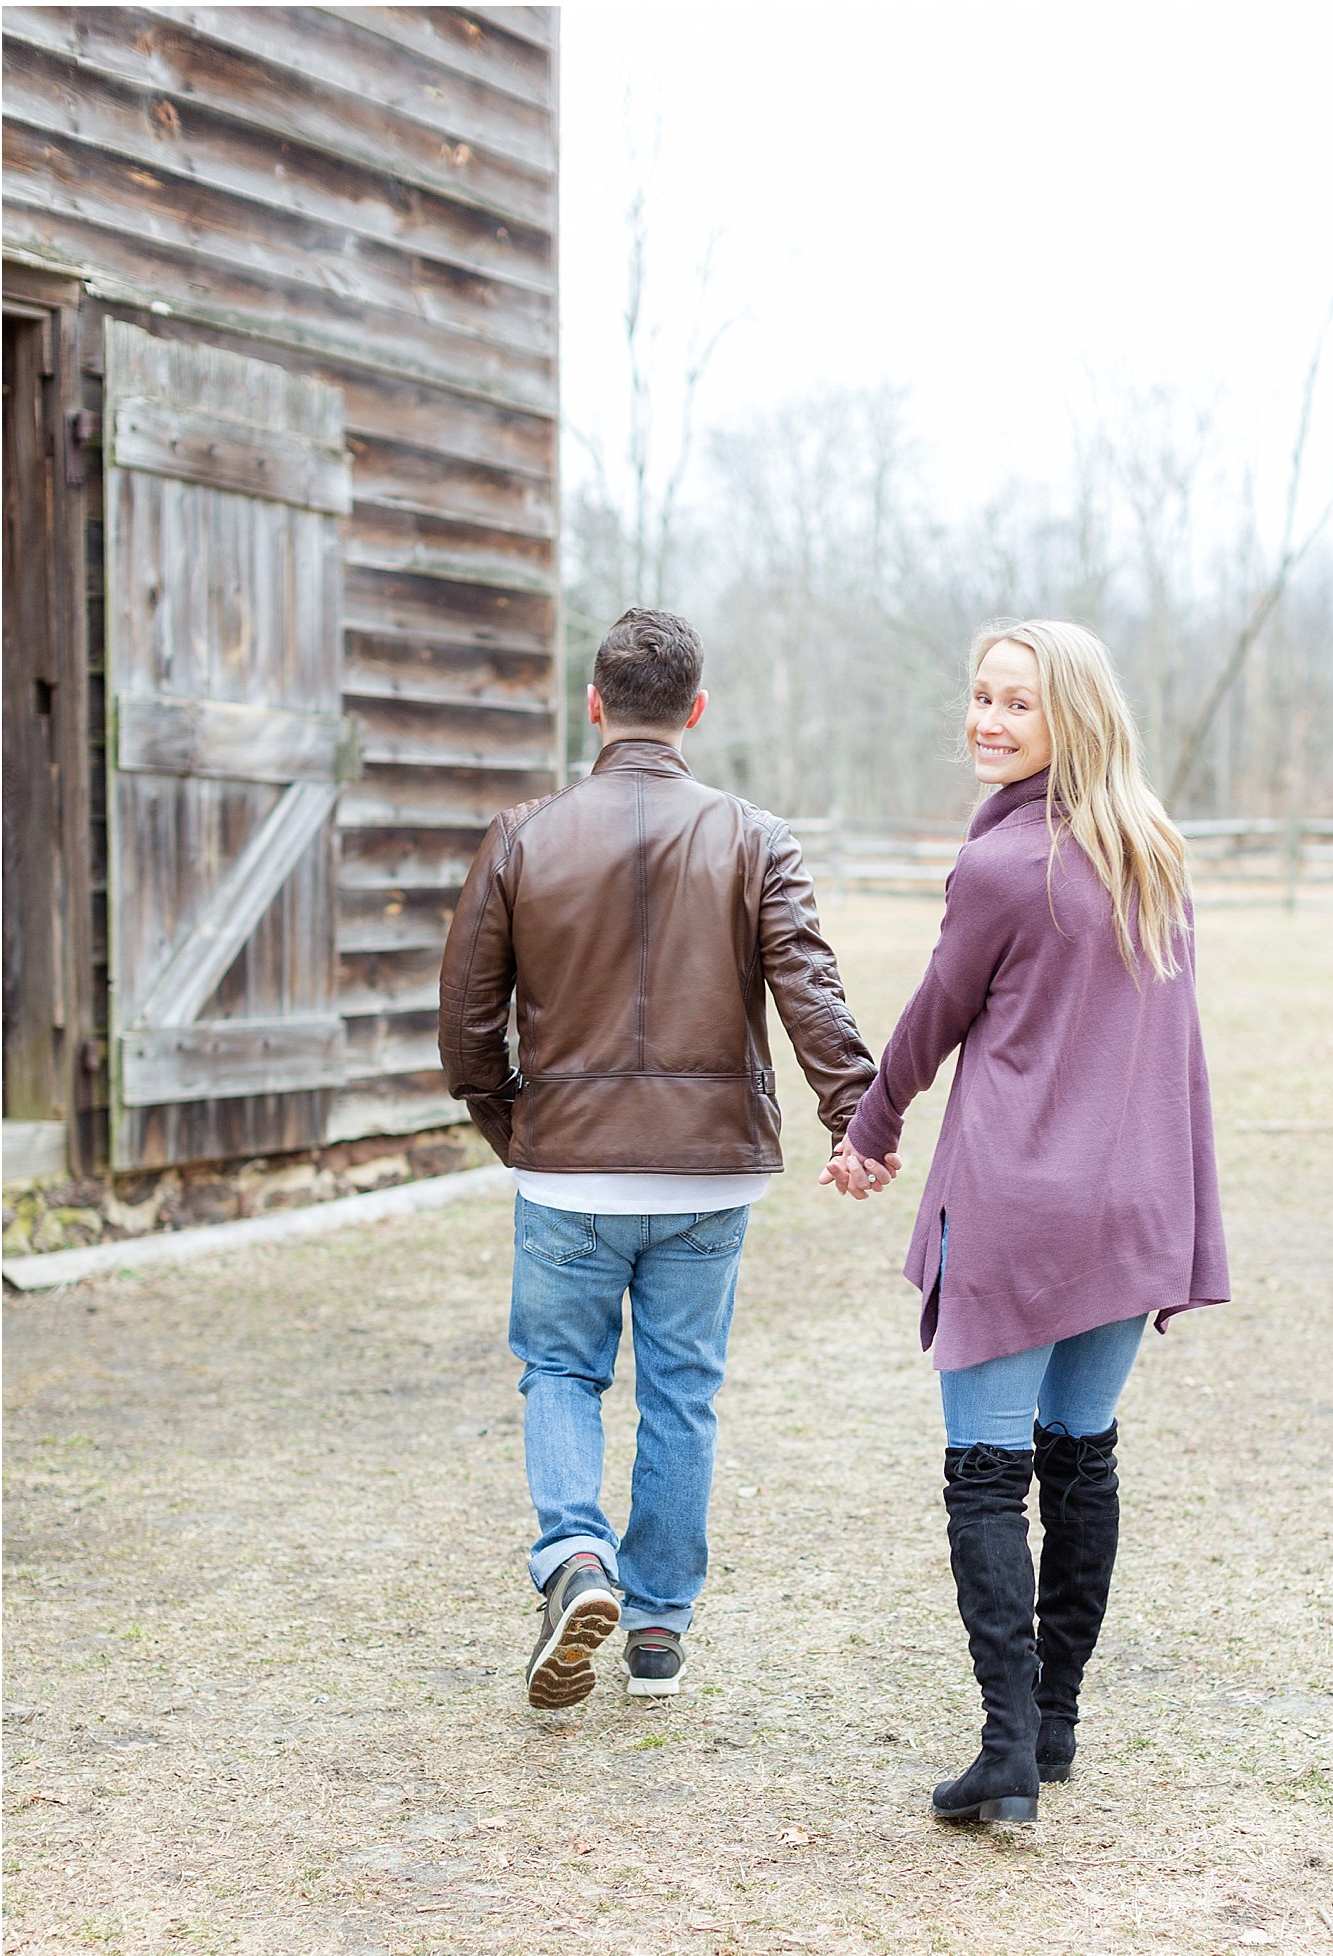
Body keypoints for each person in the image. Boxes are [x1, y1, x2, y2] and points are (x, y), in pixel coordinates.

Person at [822, 619, 1228, 1825]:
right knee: (1081, 1449)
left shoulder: (1006, 867)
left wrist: (869, 1129)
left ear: (1075, 721)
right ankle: (1052, 1726)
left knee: (989, 1474)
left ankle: (1009, 1751)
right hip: (1135, 1202)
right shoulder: (1154, 853)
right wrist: (1188, 1202)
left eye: (1017, 704)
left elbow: (932, 1015)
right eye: (981, 697)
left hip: (1021, 1207)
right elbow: (1181, 1058)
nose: (987, 721)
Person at [440, 607, 878, 1711]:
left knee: (561, 1372)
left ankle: (574, 1558)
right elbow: (809, 991)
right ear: (694, 712)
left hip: (569, 1168)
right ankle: (654, 1634)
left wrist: (515, 1125)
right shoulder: (754, 837)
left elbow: (464, 1021)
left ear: (593, 706)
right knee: (682, 1392)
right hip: (706, 1174)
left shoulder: (521, 836)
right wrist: (854, 1115)